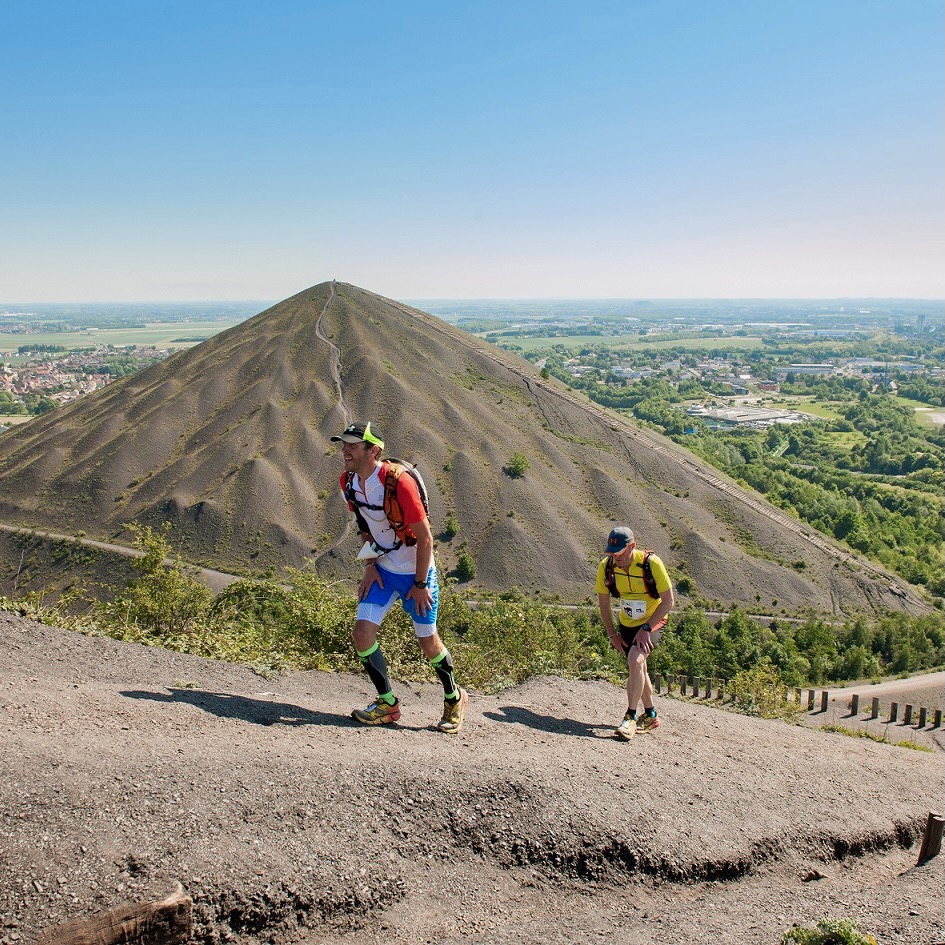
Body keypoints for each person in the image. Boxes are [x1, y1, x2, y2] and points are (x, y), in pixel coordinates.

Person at [331, 420, 468, 734]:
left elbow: (426, 538)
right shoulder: (348, 481)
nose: (345, 450)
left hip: (416, 573)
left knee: (428, 642)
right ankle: (387, 704)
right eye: (344, 444)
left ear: (373, 450)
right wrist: (369, 566)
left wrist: (420, 585)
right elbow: (365, 527)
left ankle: (454, 696)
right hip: (383, 571)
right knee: (362, 634)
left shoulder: (399, 483)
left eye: (352, 445)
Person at [595, 526, 675, 740]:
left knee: (635, 661)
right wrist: (613, 635)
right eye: (611, 553)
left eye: (619, 552)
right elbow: (603, 605)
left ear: (632, 546)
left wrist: (646, 629)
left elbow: (668, 601)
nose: (615, 557)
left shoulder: (652, 563)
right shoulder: (607, 567)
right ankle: (650, 715)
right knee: (639, 668)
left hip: (653, 621)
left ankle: (629, 717)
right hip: (627, 624)